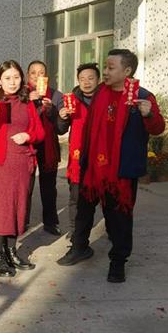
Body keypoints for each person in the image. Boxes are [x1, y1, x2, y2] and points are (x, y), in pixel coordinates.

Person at [61, 49, 165, 282]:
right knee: (83, 212)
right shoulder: (100, 93)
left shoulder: (142, 97)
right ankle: (79, 248)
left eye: (110, 68)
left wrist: (149, 115)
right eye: (105, 67)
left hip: (121, 171)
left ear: (127, 71)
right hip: (93, 168)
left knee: (119, 218)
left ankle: (118, 262)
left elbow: (158, 128)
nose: (105, 72)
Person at [0, 61, 46, 277]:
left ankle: (11, 251)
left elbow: (40, 132)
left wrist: (28, 136)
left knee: (17, 208)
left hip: (21, 163)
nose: (12, 82)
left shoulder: (27, 102)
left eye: (16, 77)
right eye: (7, 78)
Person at [55, 63, 100, 237]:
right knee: (76, 198)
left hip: (101, 158)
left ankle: (112, 231)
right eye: (82, 79)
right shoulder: (72, 100)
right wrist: (62, 117)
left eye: (90, 78)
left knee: (107, 199)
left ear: (98, 80)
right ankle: (75, 233)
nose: (86, 82)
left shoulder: (106, 100)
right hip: (78, 159)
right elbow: (61, 130)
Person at [26, 60, 64, 235]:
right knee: (25, 186)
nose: (37, 76)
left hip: (48, 146)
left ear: (46, 76)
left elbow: (61, 128)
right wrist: (29, 103)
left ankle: (50, 222)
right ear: (28, 76)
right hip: (28, 144)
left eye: (41, 73)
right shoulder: (22, 94)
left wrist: (52, 111)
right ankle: (22, 220)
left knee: (48, 187)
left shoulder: (56, 95)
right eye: (33, 73)